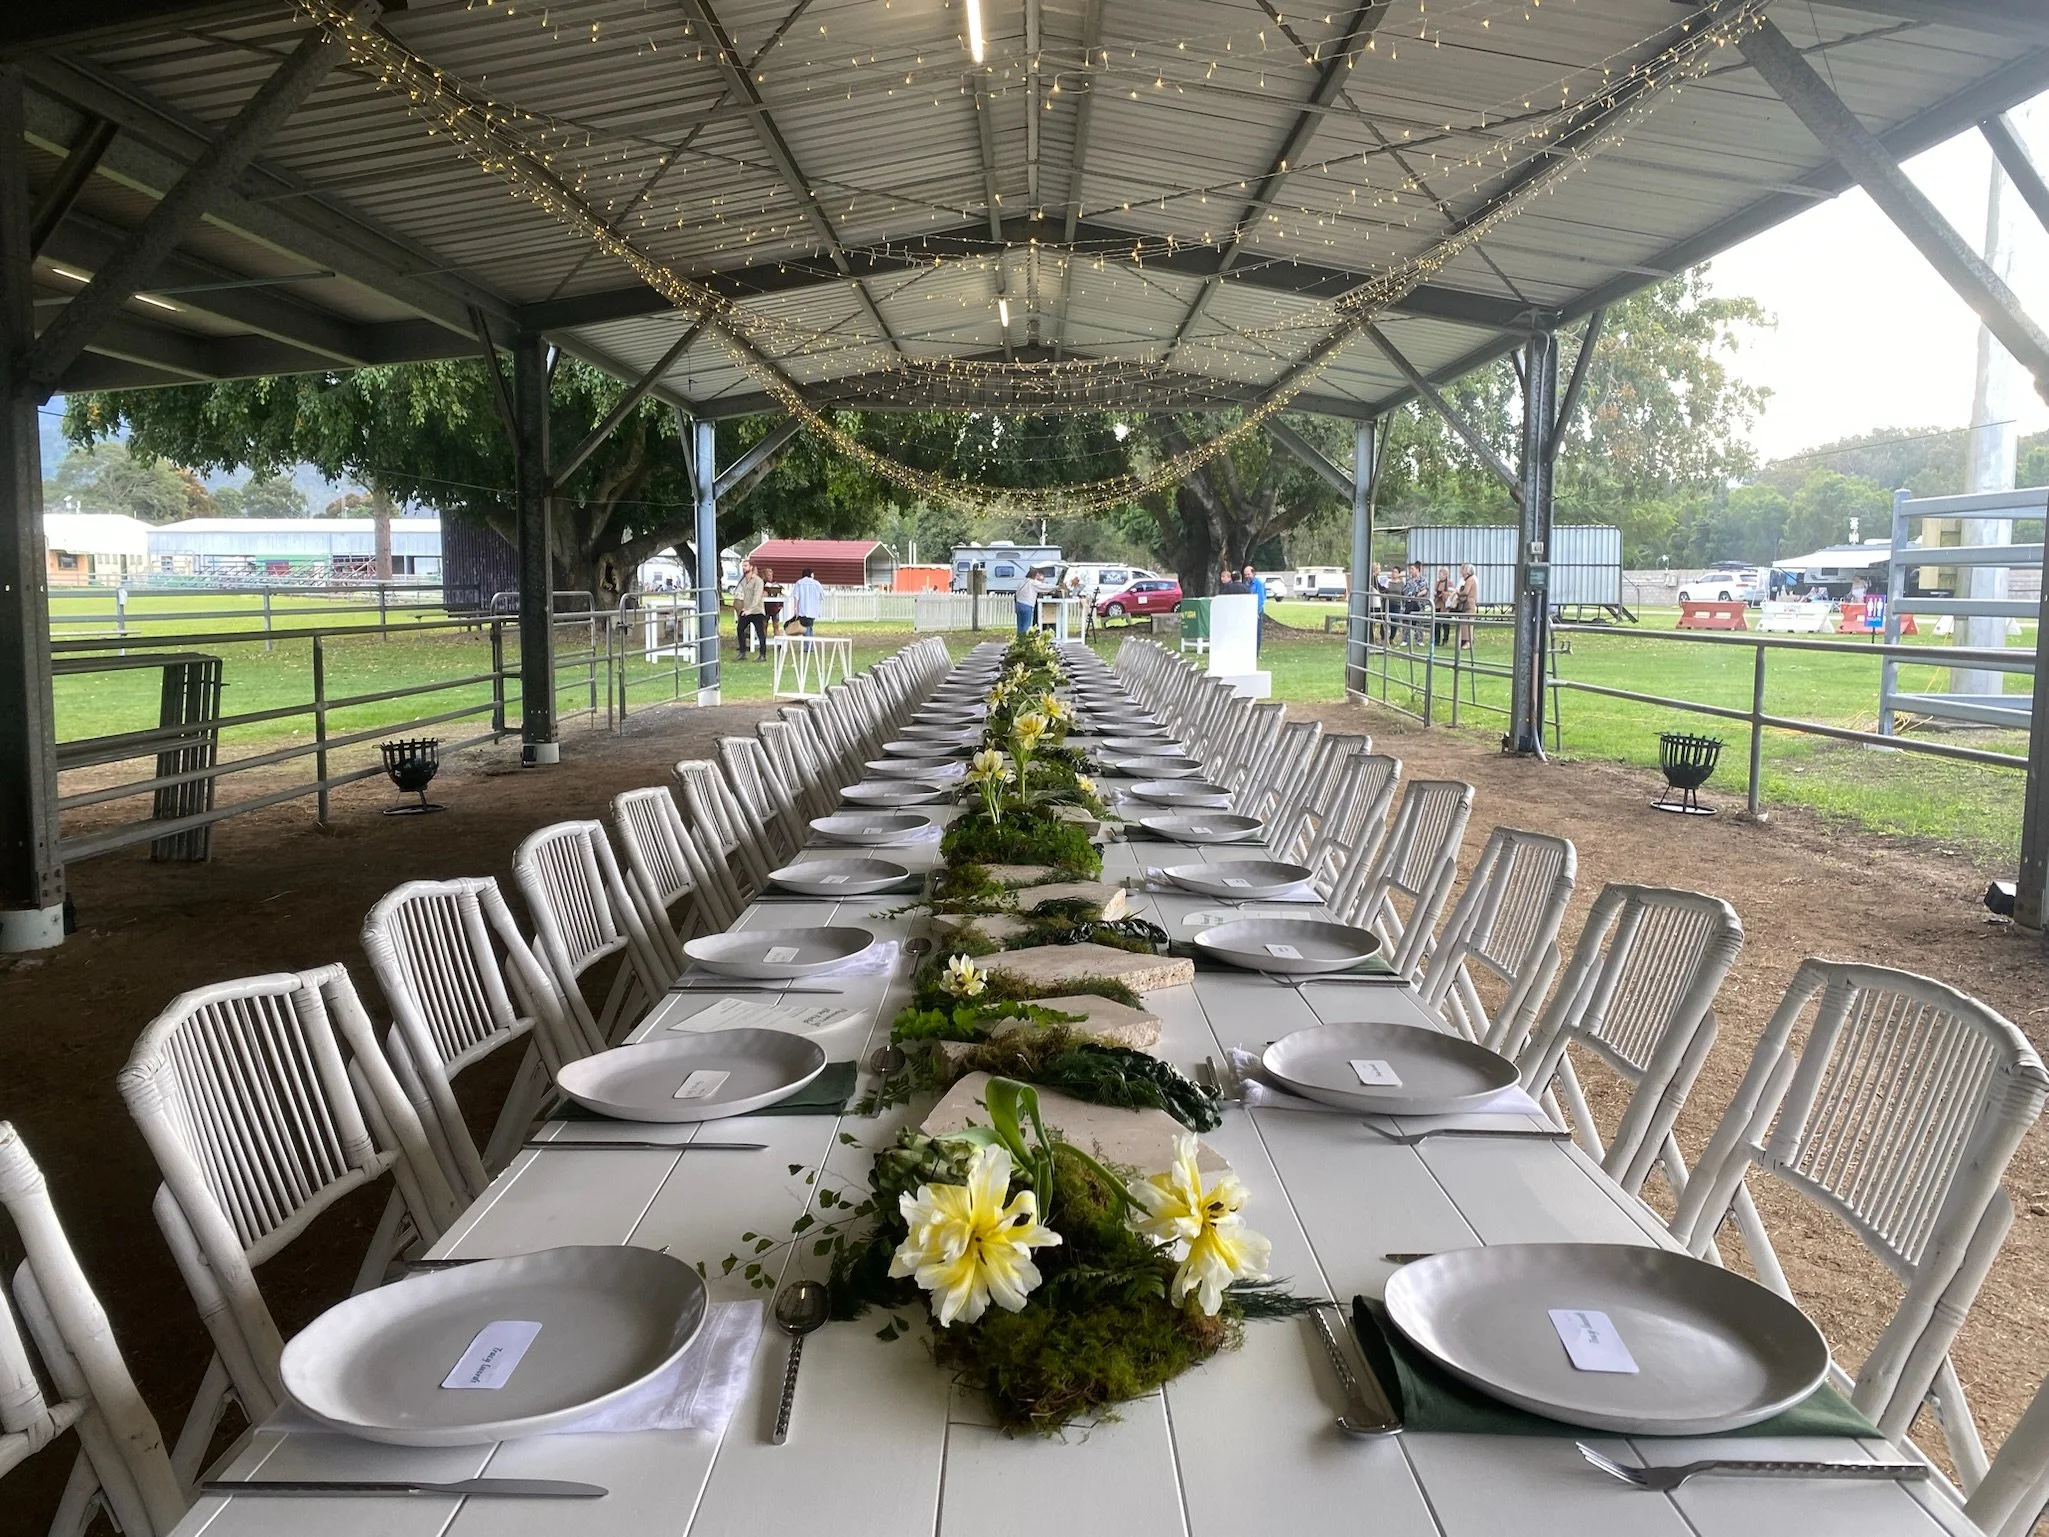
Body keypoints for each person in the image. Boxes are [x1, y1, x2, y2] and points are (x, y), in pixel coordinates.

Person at [733, 559, 767, 660]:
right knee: (740, 629)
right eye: (743, 566)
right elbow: (741, 595)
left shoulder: (758, 581)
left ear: (751, 567)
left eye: (746, 566)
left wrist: (750, 610)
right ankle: (742, 652)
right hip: (746, 610)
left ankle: (762, 655)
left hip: (757, 611)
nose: (744, 568)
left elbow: (757, 597)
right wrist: (743, 608)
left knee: (760, 633)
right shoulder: (743, 581)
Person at [787, 566, 824, 642]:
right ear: (811, 574)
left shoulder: (799, 583)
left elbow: (796, 597)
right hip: (813, 610)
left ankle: (808, 645)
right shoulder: (816, 583)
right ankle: (809, 644)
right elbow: (822, 596)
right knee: (809, 626)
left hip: (803, 609)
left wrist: (795, 609)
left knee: (806, 627)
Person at [1013, 568, 1045, 636]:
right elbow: (1044, 587)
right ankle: (1025, 639)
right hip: (1027, 605)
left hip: (1018, 604)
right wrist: (1057, 587)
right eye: (1037, 575)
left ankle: (1019, 638)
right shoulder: (1032, 582)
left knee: (1020, 625)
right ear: (1034, 575)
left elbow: (1016, 594)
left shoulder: (1022, 582)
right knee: (1026, 625)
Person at [1242, 564, 1266, 654]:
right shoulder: (1246, 584)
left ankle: (1256, 652)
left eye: (1248, 574)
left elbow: (1260, 600)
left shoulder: (1258, 584)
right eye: (1245, 575)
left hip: (1257, 612)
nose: (1247, 576)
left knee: (1257, 632)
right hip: (1248, 611)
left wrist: (1256, 612)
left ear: (1253, 573)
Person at [1457, 563, 1479, 650]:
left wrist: (1459, 593)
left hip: (1469, 604)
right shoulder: (1468, 580)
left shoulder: (1470, 580)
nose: (1462, 571)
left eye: (1464, 569)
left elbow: (1466, 591)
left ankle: (1467, 642)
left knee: (1467, 623)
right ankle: (1464, 641)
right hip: (1467, 603)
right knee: (1464, 622)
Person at [1433, 566, 1454, 645]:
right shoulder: (1437, 583)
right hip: (1438, 605)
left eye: (1441, 574)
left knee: (1446, 624)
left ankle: (1445, 639)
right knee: (1437, 624)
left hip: (1445, 607)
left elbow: (1451, 594)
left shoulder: (1449, 583)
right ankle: (1437, 640)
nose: (1439, 576)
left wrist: (1443, 594)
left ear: (1445, 575)